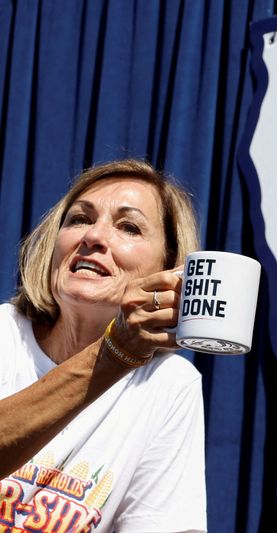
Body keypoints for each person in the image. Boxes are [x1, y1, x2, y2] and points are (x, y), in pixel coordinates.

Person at [0, 159, 207, 531]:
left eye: (128, 227)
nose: (93, 237)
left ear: (170, 270)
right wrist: (114, 354)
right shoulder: (4, 333)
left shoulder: (171, 385)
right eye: (79, 219)